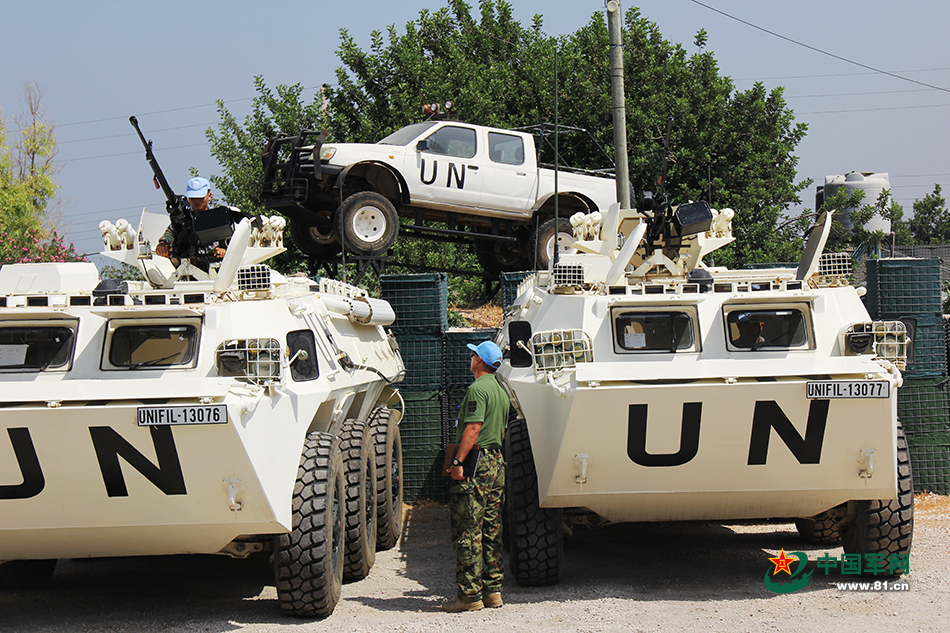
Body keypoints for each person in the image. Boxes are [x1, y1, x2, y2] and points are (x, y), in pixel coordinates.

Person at [443, 340, 510, 613]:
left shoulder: (477, 389)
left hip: (476, 463)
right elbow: (502, 432)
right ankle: (493, 591)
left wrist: (458, 461)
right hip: (496, 461)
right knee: (491, 529)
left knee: (467, 528)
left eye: (473, 354)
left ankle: (469, 596)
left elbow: (473, 428)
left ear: (479, 360)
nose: (470, 357)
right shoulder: (502, 391)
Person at [155, 177, 227, 260]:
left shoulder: (218, 220)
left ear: (209, 196)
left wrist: (223, 251)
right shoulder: (183, 221)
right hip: (185, 267)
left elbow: (230, 244)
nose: (197, 201)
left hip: (214, 267)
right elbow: (169, 235)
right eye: (193, 198)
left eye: (200, 198)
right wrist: (162, 245)